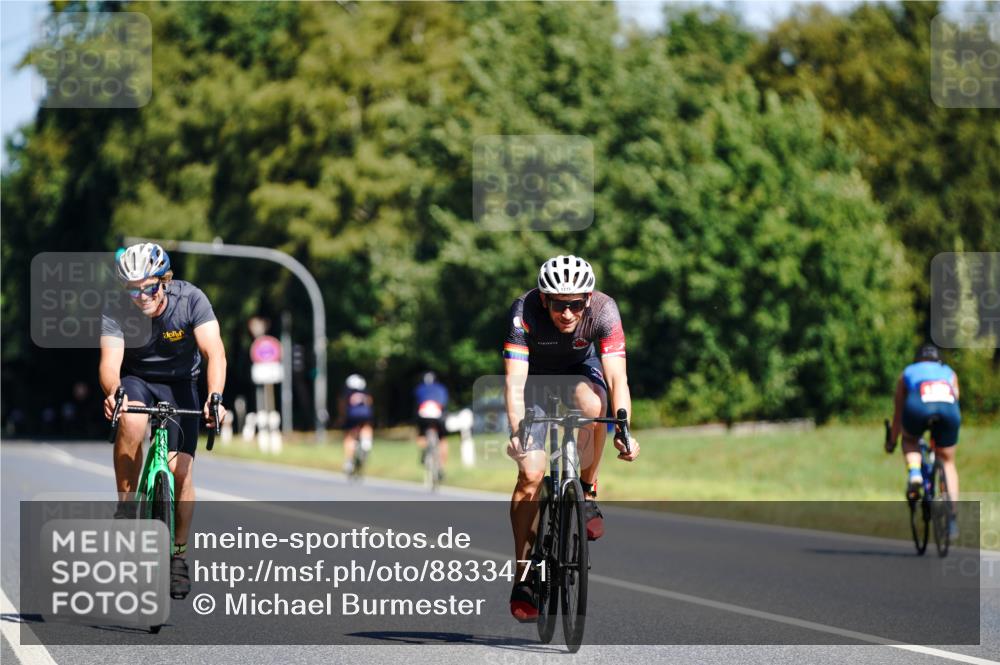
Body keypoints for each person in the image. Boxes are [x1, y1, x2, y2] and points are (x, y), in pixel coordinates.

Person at [504, 254, 639, 621]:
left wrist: (624, 430)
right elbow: (515, 384)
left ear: (588, 300)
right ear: (545, 300)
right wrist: (518, 432)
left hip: (582, 373)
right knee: (531, 474)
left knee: (594, 405)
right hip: (534, 381)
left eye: (576, 305)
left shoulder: (605, 311)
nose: (567, 314)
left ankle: (587, 489)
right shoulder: (525, 311)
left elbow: (617, 380)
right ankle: (524, 576)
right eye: (559, 305)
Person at [100, 243, 227, 599]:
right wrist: (114, 392)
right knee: (131, 421)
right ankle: (126, 508)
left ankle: (178, 557)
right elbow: (110, 364)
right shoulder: (116, 310)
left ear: (164, 281)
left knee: (181, 470)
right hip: (139, 380)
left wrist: (215, 397)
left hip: (181, 384)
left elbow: (214, 352)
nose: (141, 296)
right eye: (132, 288)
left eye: (149, 287)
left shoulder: (191, 300)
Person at [886, 343, 961, 537]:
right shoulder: (949, 372)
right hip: (948, 410)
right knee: (947, 461)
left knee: (910, 439)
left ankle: (915, 473)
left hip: (918, 407)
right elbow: (956, 398)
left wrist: (892, 441)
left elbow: (898, 413)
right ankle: (951, 517)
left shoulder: (908, 372)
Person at [414, 371, 449, 476]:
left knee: (420, 434)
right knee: (442, 440)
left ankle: (424, 451)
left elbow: (416, 402)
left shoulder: (419, 388)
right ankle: (441, 467)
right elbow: (444, 403)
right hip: (438, 415)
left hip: (423, 415)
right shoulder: (441, 388)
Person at [340, 373, 374, 475]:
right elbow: (370, 402)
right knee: (366, 426)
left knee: (349, 436)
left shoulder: (347, 392)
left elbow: (342, 404)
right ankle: (366, 443)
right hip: (366, 413)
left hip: (352, 415)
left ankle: (349, 461)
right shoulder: (365, 392)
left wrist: (341, 417)